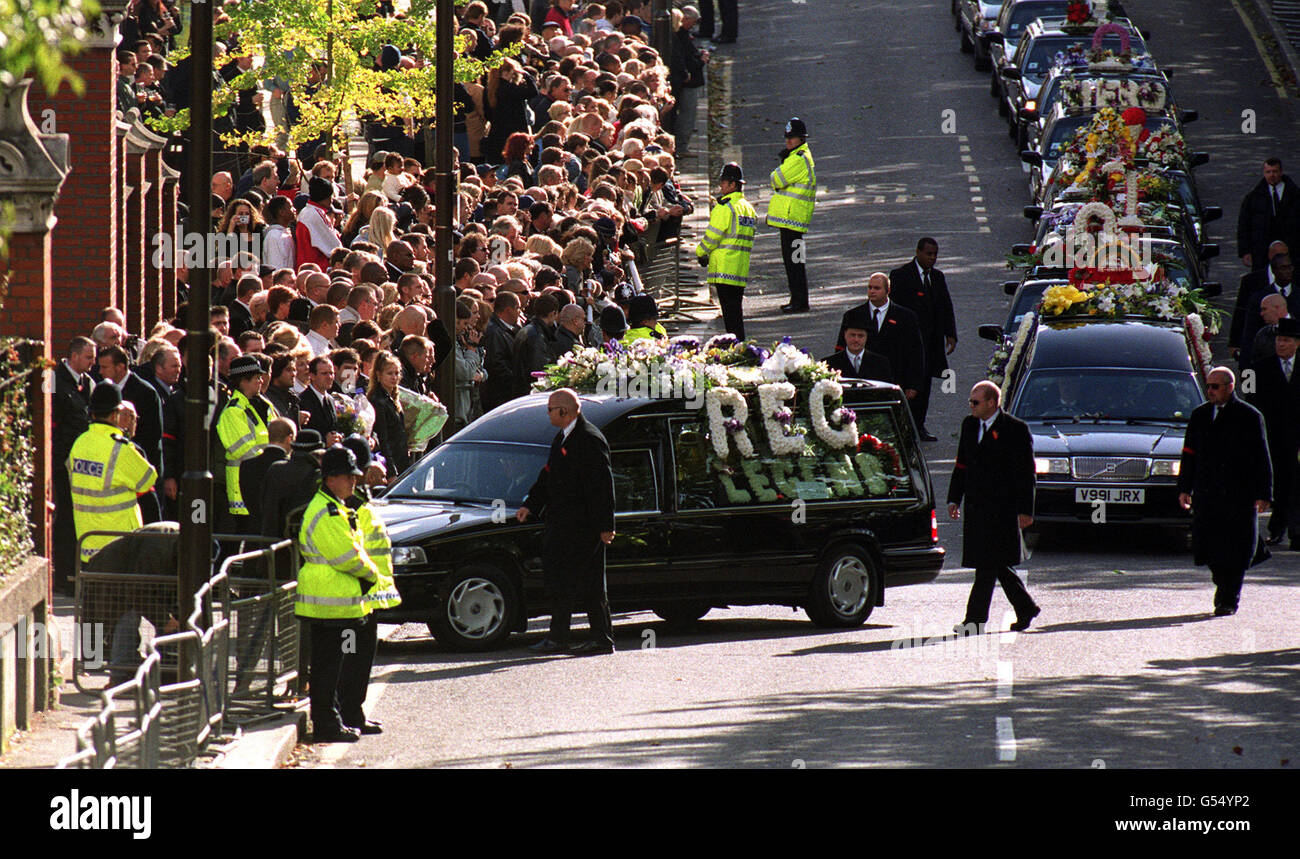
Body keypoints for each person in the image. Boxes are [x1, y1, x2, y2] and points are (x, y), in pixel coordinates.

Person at [516, 389, 617, 655]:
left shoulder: (589, 439)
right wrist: (531, 504)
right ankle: (558, 637)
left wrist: (606, 526)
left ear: (564, 411)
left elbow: (602, 485)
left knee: (590, 583)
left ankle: (601, 638)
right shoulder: (563, 436)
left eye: (550, 409)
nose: (547, 413)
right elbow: (548, 474)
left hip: (584, 526)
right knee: (559, 582)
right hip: (562, 524)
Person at [295, 446, 381, 743]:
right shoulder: (328, 511)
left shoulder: (335, 506)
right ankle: (327, 725)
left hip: (337, 603)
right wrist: (372, 574)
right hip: (329, 603)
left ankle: (338, 719)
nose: (354, 482)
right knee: (327, 667)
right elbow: (347, 555)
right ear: (331, 478)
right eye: (349, 477)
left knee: (334, 664)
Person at [1178, 367, 1274, 615]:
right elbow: (1189, 454)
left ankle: (1228, 599)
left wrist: (1265, 493)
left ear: (1230, 387)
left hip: (1238, 495)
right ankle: (1223, 582)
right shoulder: (1199, 415)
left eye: (1215, 387)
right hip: (1207, 493)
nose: (1210, 391)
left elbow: (1261, 456)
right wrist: (1184, 487)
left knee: (1237, 549)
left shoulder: (1249, 416)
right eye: (1208, 386)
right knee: (1210, 547)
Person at [948, 381, 1040, 634]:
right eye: (970, 401)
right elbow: (962, 465)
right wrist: (954, 498)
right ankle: (1025, 607)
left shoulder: (1015, 429)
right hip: (977, 508)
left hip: (1002, 509)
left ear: (992, 403)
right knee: (994, 563)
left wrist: (1025, 510)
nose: (971, 406)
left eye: (975, 402)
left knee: (987, 566)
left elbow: (1025, 473)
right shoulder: (969, 425)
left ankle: (975, 622)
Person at [67, 383, 159, 565]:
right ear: (115, 414)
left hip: (87, 543)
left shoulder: (79, 443)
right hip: (119, 545)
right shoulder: (120, 448)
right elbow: (149, 479)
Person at [889, 238, 958, 441]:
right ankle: (903, 426)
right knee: (907, 385)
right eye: (929, 254)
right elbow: (893, 308)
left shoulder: (937, 277)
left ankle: (919, 426)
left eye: (935, 254)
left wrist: (951, 334)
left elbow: (946, 307)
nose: (932, 258)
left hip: (930, 343)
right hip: (907, 344)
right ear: (918, 252)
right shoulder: (900, 276)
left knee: (925, 386)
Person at [1245, 320, 1300, 549]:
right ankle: (1277, 529)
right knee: (1278, 483)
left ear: (1297, 344)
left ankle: (1296, 532)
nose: (1281, 344)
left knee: (1297, 484)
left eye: (1286, 340)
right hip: (1273, 437)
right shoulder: (1258, 369)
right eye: (1279, 340)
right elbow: (1251, 403)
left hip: (1297, 438)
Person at [837, 272, 925, 408]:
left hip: (895, 379)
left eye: (877, 288)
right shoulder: (853, 315)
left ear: (888, 290)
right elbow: (841, 349)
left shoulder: (906, 317)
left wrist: (913, 385)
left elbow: (916, 353)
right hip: (862, 381)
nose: (872, 291)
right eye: (869, 287)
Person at [97, 345, 164, 524]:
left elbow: (152, 437)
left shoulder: (145, 392)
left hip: (138, 471)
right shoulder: (102, 390)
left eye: (105, 367)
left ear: (120, 367)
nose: (100, 371)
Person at [216, 355, 279, 531]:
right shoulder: (234, 411)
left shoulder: (263, 404)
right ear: (243, 381)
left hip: (261, 482)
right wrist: (273, 457)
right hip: (243, 486)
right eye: (256, 378)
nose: (261, 381)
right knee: (241, 540)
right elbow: (245, 450)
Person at [696, 162, 757, 339]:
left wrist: (700, 252)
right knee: (736, 313)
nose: (720, 185)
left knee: (730, 317)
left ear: (733, 184)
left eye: (723, 182)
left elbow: (712, 236)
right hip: (740, 267)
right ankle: (741, 346)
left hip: (724, 267)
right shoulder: (748, 209)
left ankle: (735, 349)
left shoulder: (725, 207)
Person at [53, 337, 95, 592]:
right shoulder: (54, 379)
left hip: (82, 462)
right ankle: (64, 576)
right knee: (66, 518)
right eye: (88, 358)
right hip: (62, 462)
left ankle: (76, 572)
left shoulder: (88, 383)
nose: (92, 363)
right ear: (74, 355)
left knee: (78, 518)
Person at [768, 117, 816, 314]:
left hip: (793, 220)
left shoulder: (797, 158)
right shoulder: (796, 156)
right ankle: (796, 298)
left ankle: (799, 301)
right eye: (787, 137)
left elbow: (776, 179)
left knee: (795, 262)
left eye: (793, 138)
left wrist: (783, 162)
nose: (788, 141)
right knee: (794, 262)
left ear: (801, 139)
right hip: (792, 219)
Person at [1237, 157, 1300, 271]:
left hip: (1293, 251)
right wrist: (1245, 251)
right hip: (1262, 252)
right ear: (1264, 173)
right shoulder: (1253, 198)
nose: (1272, 175)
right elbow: (1244, 225)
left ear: (1281, 172)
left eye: (1275, 171)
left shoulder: (1295, 196)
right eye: (1268, 172)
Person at [261, 429, 324, 540]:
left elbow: (266, 506)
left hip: (273, 541)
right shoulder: (318, 475)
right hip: (305, 542)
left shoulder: (276, 469)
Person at [240, 417, 295, 525]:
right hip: (280, 533)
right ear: (290, 439)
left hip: (253, 530)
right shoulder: (289, 467)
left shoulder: (247, 465)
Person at [368, 350, 410, 479]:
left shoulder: (392, 397)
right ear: (379, 375)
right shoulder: (377, 400)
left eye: (397, 373)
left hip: (400, 459)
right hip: (389, 463)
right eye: (389, 373)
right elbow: (383, 438)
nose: (394, 377)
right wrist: (391, 472)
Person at [823, 309, 892, 382]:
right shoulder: (829, 363)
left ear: (866, 337)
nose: (856, 340)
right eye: (852, 335)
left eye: (860, 336)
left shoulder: (880, 363)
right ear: (845, 335)